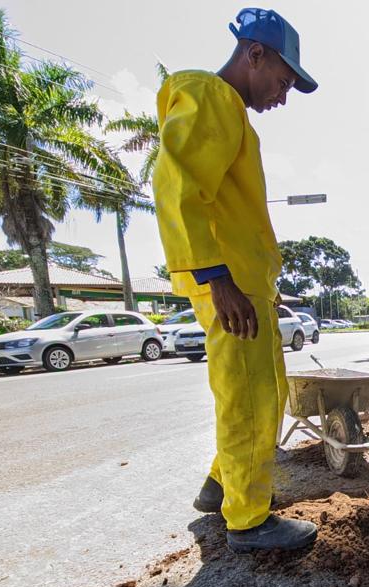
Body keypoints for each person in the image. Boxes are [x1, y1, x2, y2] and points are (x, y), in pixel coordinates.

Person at [153, 8, 319, 553]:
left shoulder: (230, 113)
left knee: (264, 393)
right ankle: (248, 520)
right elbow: (179, 186)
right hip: (231, 283)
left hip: (246, 283)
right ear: (255, 54)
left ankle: (221, 485)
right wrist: (216, 277)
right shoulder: (212, 97)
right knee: (249, 397)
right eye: (283, 81)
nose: (282, 97)